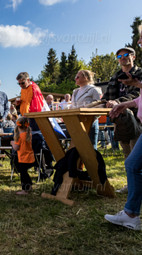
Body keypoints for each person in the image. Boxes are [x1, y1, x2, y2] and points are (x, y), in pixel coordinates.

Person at [104, 28, 142, 230]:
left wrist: (119, 101)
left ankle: (132, 211)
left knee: (135, 161)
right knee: (129, 158)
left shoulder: (139, 73)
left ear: (133, 57)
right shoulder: (116, 76)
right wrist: (112, 103)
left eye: (126, 55)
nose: (122, 58)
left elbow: (136, 93)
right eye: (119, 56)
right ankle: (131, 194)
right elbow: (106, 97)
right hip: (121, 120)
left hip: (138, 121)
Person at [72, 70, 102, 149]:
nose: (75, 79)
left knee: (91, 148)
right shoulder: (75, 91)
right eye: (75, 77)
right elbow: (73, 106)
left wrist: (90, 115)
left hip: (90, 122)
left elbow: (100, 106)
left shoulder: (94, 89)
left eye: (78, 77)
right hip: (77, 122)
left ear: (85, 78)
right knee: (79, 149)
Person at [11, 117, 35, 195]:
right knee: (25, 173)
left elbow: (16, 147)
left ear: (18, 126)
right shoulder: (29, 134)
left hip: (23, 158)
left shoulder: (19, 137)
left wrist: (12, 143)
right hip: (30, 157)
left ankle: (25, 190)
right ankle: (30, 186)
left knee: (23, 174)